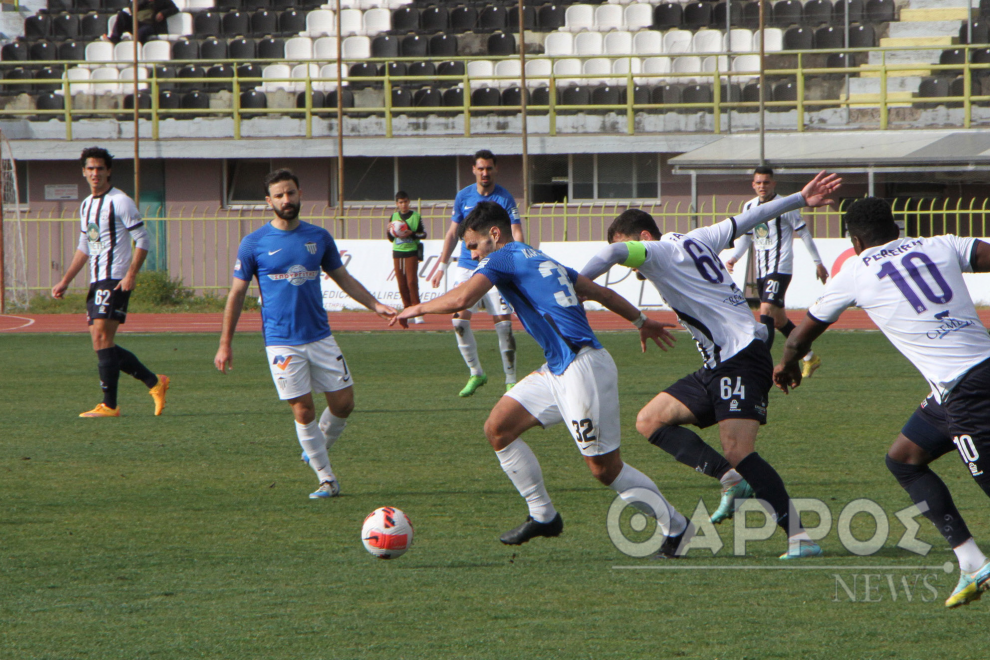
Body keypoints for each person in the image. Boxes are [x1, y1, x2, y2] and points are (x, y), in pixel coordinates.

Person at [396, 201, 693, 556]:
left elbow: (463, 297)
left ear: (494, 235)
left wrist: (417, 307)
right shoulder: (541, 258)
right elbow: (600, 293)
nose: (474, 255)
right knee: (499, 428)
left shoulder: (502, 257)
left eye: (474, 245)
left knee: (605, 470)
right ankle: (543, 515)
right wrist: (642, 322)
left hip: (582, 369)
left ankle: (677, 528)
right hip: (558, 368)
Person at [580, 171, 842, 559]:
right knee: (650, 420)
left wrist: (573, 280)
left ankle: (799, 537)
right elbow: (753, 218)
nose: (631, 264)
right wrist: (799, 199)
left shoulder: (655, 251)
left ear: (645, 238)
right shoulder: (699, 237)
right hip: (720, 363)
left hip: (739, 357)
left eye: (631, 250)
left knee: (738, 448)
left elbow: (614, 254)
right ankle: (730, 479)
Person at [773, 196, 990, 607]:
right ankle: (973, 563)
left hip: (966, 391)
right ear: (896, 225)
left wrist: (785, 365)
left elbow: (801, 336)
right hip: (962, 383)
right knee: (904, 459)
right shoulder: (940, 243)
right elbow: (984, 253)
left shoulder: (854, 271)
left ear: (854, 239)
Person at [214, 169, 397, 499]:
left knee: (344, 403)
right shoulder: (253, 243)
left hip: (320, 335)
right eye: (280, 195)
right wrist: (225, 343)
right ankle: (327, 478)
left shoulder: (319, 237)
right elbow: (237, 295)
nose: (287, 200)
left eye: (292, 193)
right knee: (304, 411)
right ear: (269, 201)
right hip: (282, 342)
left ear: (300, 195)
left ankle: (315, 448)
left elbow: (343, 277)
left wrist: (374, 304)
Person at [51, 146, 170, 418]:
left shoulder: (120, 201)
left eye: (100, 168)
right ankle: (155, 382)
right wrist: (66, 280)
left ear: (109, 171)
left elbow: (143, 239)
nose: (95, 173)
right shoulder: (86, 204)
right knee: (100, 342)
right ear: (83, 172)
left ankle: (110, 406)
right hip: (96, 280)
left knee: (103, 338)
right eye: (90, 168)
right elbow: (86, 245)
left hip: (115, 278)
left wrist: (131, 274)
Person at [430, 149, 523, 397]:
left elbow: (516, 231)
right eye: (480, 168)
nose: (485, 173)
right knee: (459, 321)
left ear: (495, 169)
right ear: (473, 170)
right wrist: (442, 266)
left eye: (489, 168)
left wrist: (517, 260)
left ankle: (511, 380)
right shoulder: (463, 196)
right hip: (467, 265)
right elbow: (452, 233)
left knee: (503, 326)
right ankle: (476, 372)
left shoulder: (505, 198)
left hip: (497, 265)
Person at [725, 166, 829, 377]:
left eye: (766, 182)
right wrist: (735, 257)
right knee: (779, 320)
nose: (762, 186)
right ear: (753, 185)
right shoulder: (749, 206)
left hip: (780, 267)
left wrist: (818, 262)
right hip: (762, 270)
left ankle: (760, 364)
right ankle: (810, 357)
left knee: (765, 311)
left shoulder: (785, 205)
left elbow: (804, 234)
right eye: (759, 182)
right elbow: (747, 236)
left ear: (773, 183)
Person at [387, 190, 426, 328]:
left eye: (405, 202)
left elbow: (423, 234)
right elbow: (391, 238)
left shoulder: (415, 216)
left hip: (411, 251)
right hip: (398, 252)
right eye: (400, 202)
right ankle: (407, 309)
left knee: (411, 281)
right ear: (397, 204)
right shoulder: (394, 216)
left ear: (409, 202)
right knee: (401, 282)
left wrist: (412, 234)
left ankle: (417, 311)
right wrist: (389, 231)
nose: (403, 205)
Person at [103, 0, 179, 45]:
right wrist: (145, 1)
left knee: (141, 32)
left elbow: (175, 9)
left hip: (151, 25)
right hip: (136, 23)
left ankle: (137, 51)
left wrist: (163, 13)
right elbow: (132, 8)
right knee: (121, 15)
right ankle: (115, 38)